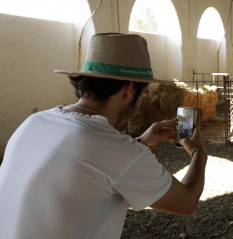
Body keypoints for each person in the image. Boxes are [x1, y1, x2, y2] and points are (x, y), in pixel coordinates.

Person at [0, 33, 208, 239]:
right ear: (129, 89)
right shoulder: (114, 148)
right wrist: (198, 151)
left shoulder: (34, 121)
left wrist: (142, 142)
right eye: (143, 93)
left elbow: (90, 169)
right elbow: (186, 202)